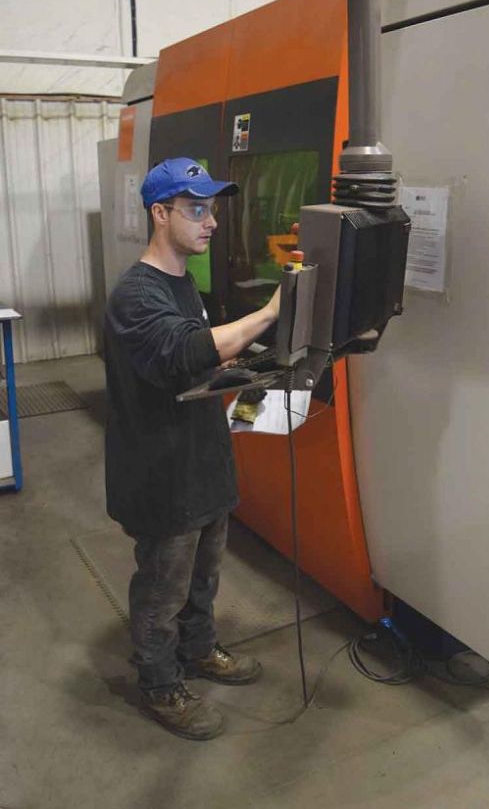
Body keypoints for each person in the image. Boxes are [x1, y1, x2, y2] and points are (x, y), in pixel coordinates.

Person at [104, 156, 280, 741]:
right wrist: (273, 311)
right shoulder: (135, 293)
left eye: (212, 210)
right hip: (161, 471)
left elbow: (201, 356)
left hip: (204, 461)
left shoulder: (185, 285)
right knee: (163, 588)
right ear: (160, 213)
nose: (210, 223)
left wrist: (247, 362)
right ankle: (158, 682)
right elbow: (180, 352)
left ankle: (200, 649)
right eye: (196, 209)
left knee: (204, 576)